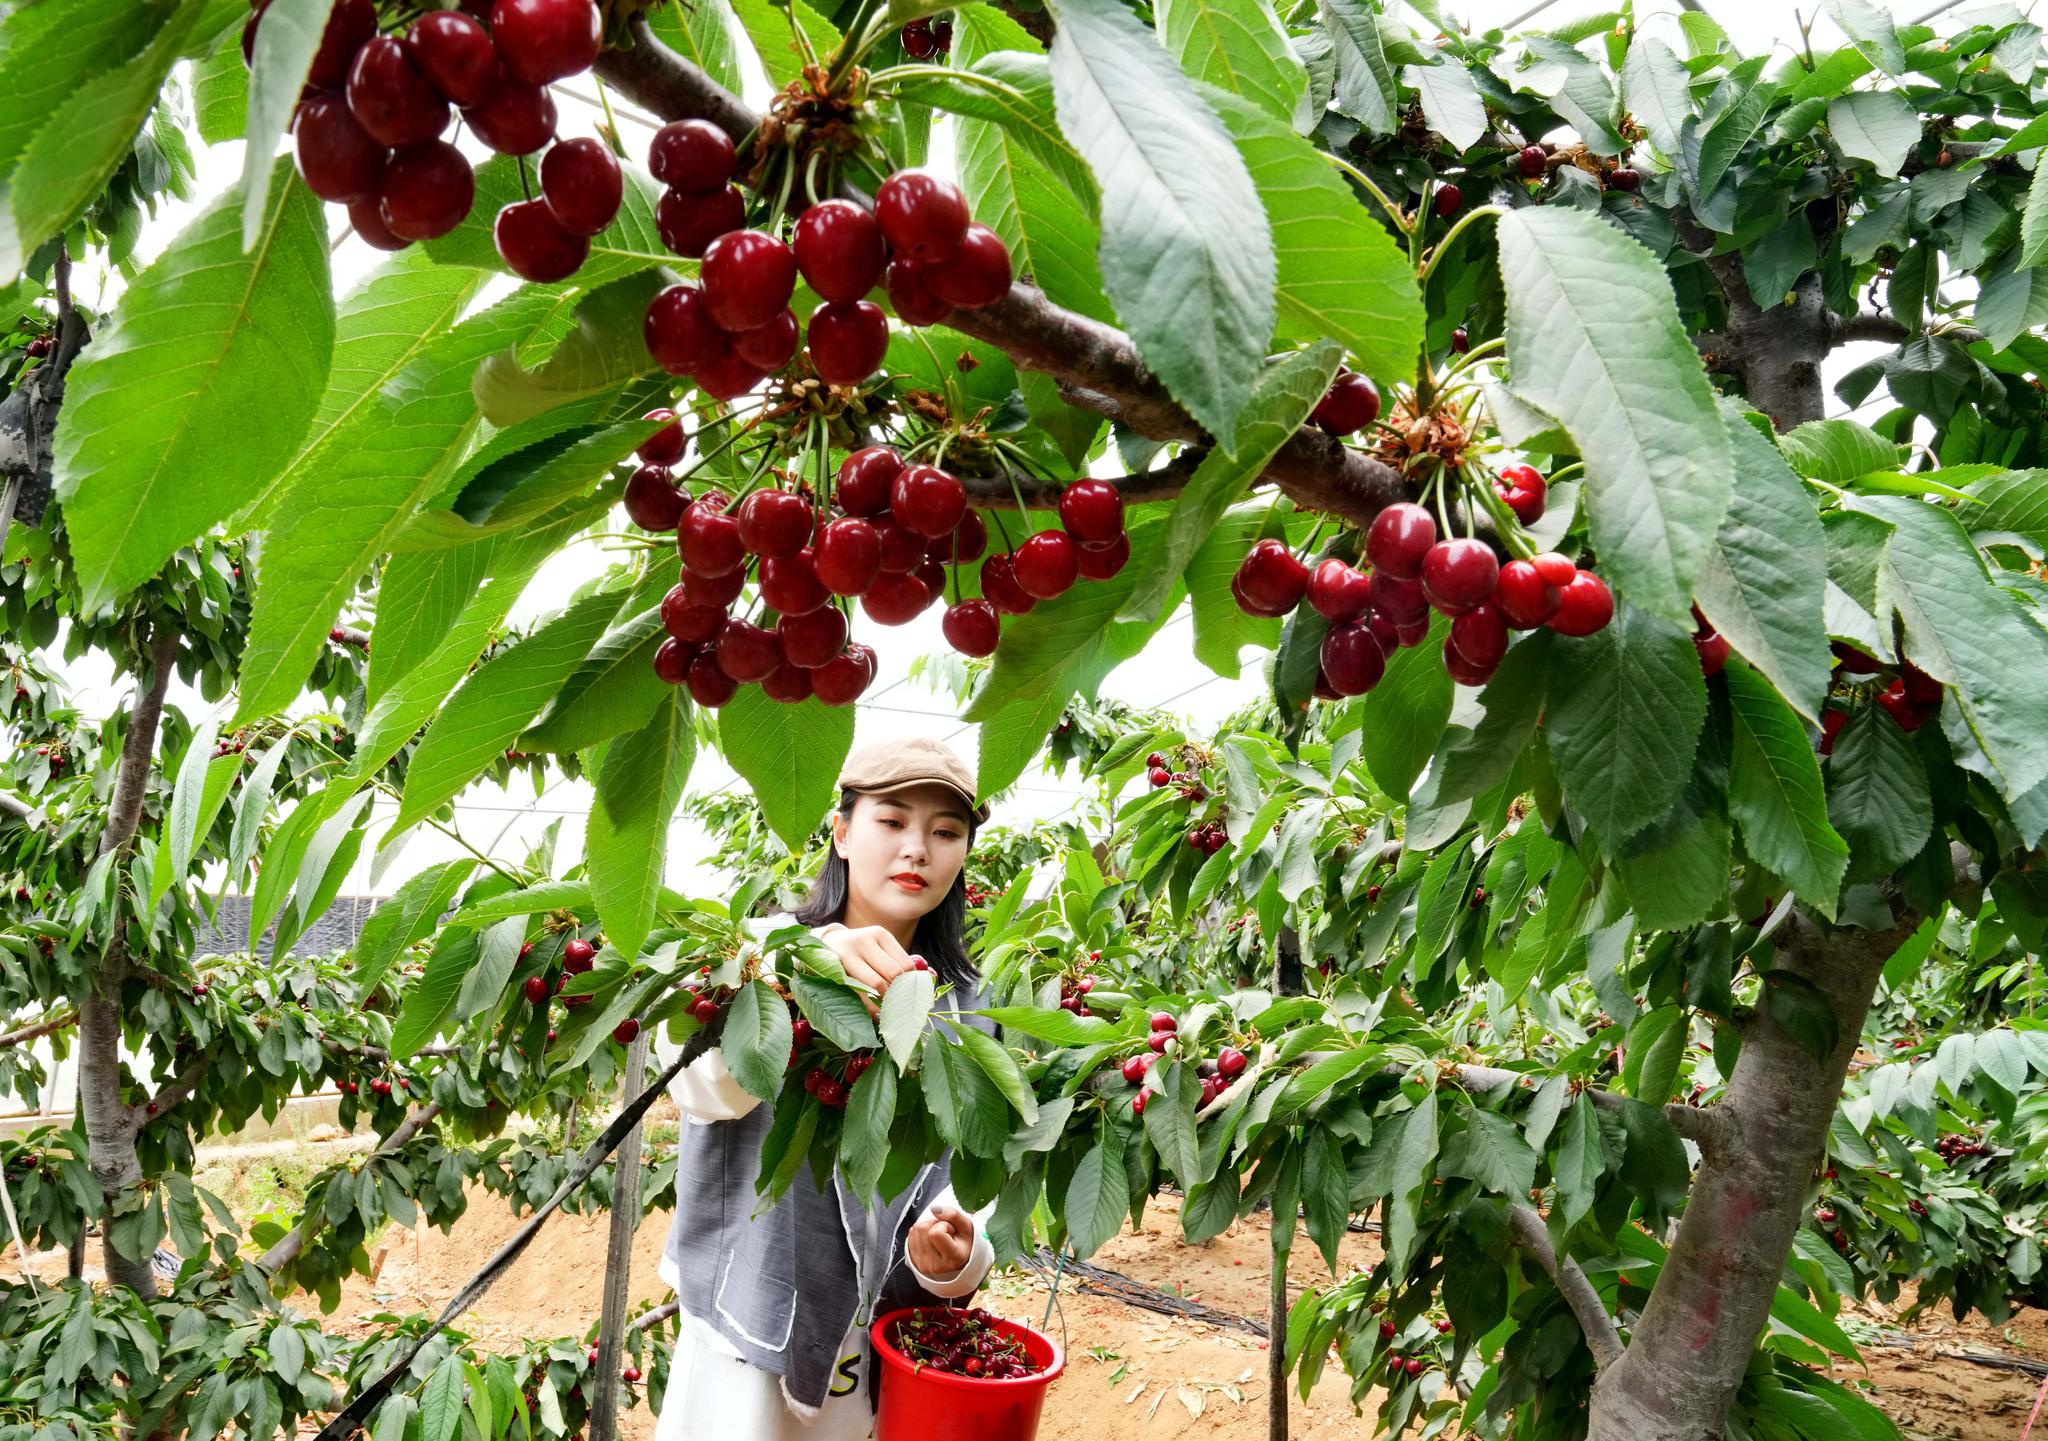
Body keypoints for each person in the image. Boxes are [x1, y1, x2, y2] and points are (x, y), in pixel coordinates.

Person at [650, 736, 999, 1440]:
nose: (917, 850)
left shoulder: (966, 1005)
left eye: (945, 832)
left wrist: (956, 1258)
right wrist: (794, 976)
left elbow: (975, 1172)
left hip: (882, 1354)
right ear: (841, 833)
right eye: (892, 821)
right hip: (745, 1346)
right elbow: (696, 1086)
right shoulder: (761, 952)